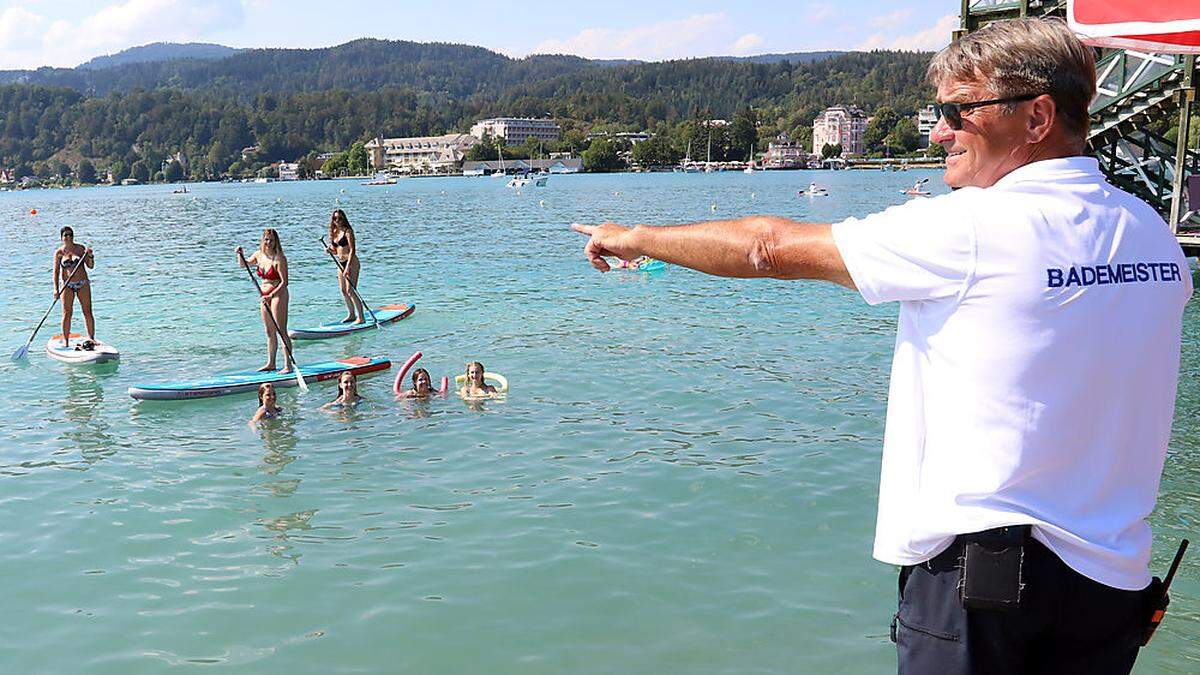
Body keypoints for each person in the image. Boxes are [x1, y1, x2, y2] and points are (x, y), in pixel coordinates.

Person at [572, 18, 1190, 675]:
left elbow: (766, 248)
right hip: (1110, 588)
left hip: (984, 596)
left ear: (1038, 117)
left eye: (958, 111)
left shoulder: (973, 228)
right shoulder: (1150, 233)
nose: (939, 131)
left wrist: (634, 236)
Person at [236, 228, 295, 373]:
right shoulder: (258, 255)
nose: (268, 243)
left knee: (281, 331)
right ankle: (271, 363)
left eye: (271, 240)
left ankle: (288, 365)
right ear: (263, 240)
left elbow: (284, 282)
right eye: (266, 240)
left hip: (278, 294)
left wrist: (271, 295)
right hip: (264, 294)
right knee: (269, 332)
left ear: (276, 242)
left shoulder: (279, 258)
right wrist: (240, 254)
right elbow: (243, 264)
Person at [52, 227, 97, 349]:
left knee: (87, 311)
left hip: (82, 283)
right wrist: (56, 290)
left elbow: (90, 266)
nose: (68, 237)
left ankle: (91, 338)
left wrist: (91, 256)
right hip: (67, 286)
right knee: (67, 313)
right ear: (62, 237)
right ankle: (66, 340)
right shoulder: (59, 253)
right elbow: (56, 273)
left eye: (70, 235)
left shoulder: (80, 249)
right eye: (66, 235)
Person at [326, 209, 364, 324]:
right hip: (340, 263)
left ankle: (361, 317)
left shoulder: (348, 232)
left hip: (351, 262)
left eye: (340, 218)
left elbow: (352, 250)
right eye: (335, 218)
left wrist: (348, 267)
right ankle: (351, 314)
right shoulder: (335, 232)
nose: (337, 221)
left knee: (350, 290)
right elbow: (337, 251)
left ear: (344, 219)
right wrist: (330, 250)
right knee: (343, 290)